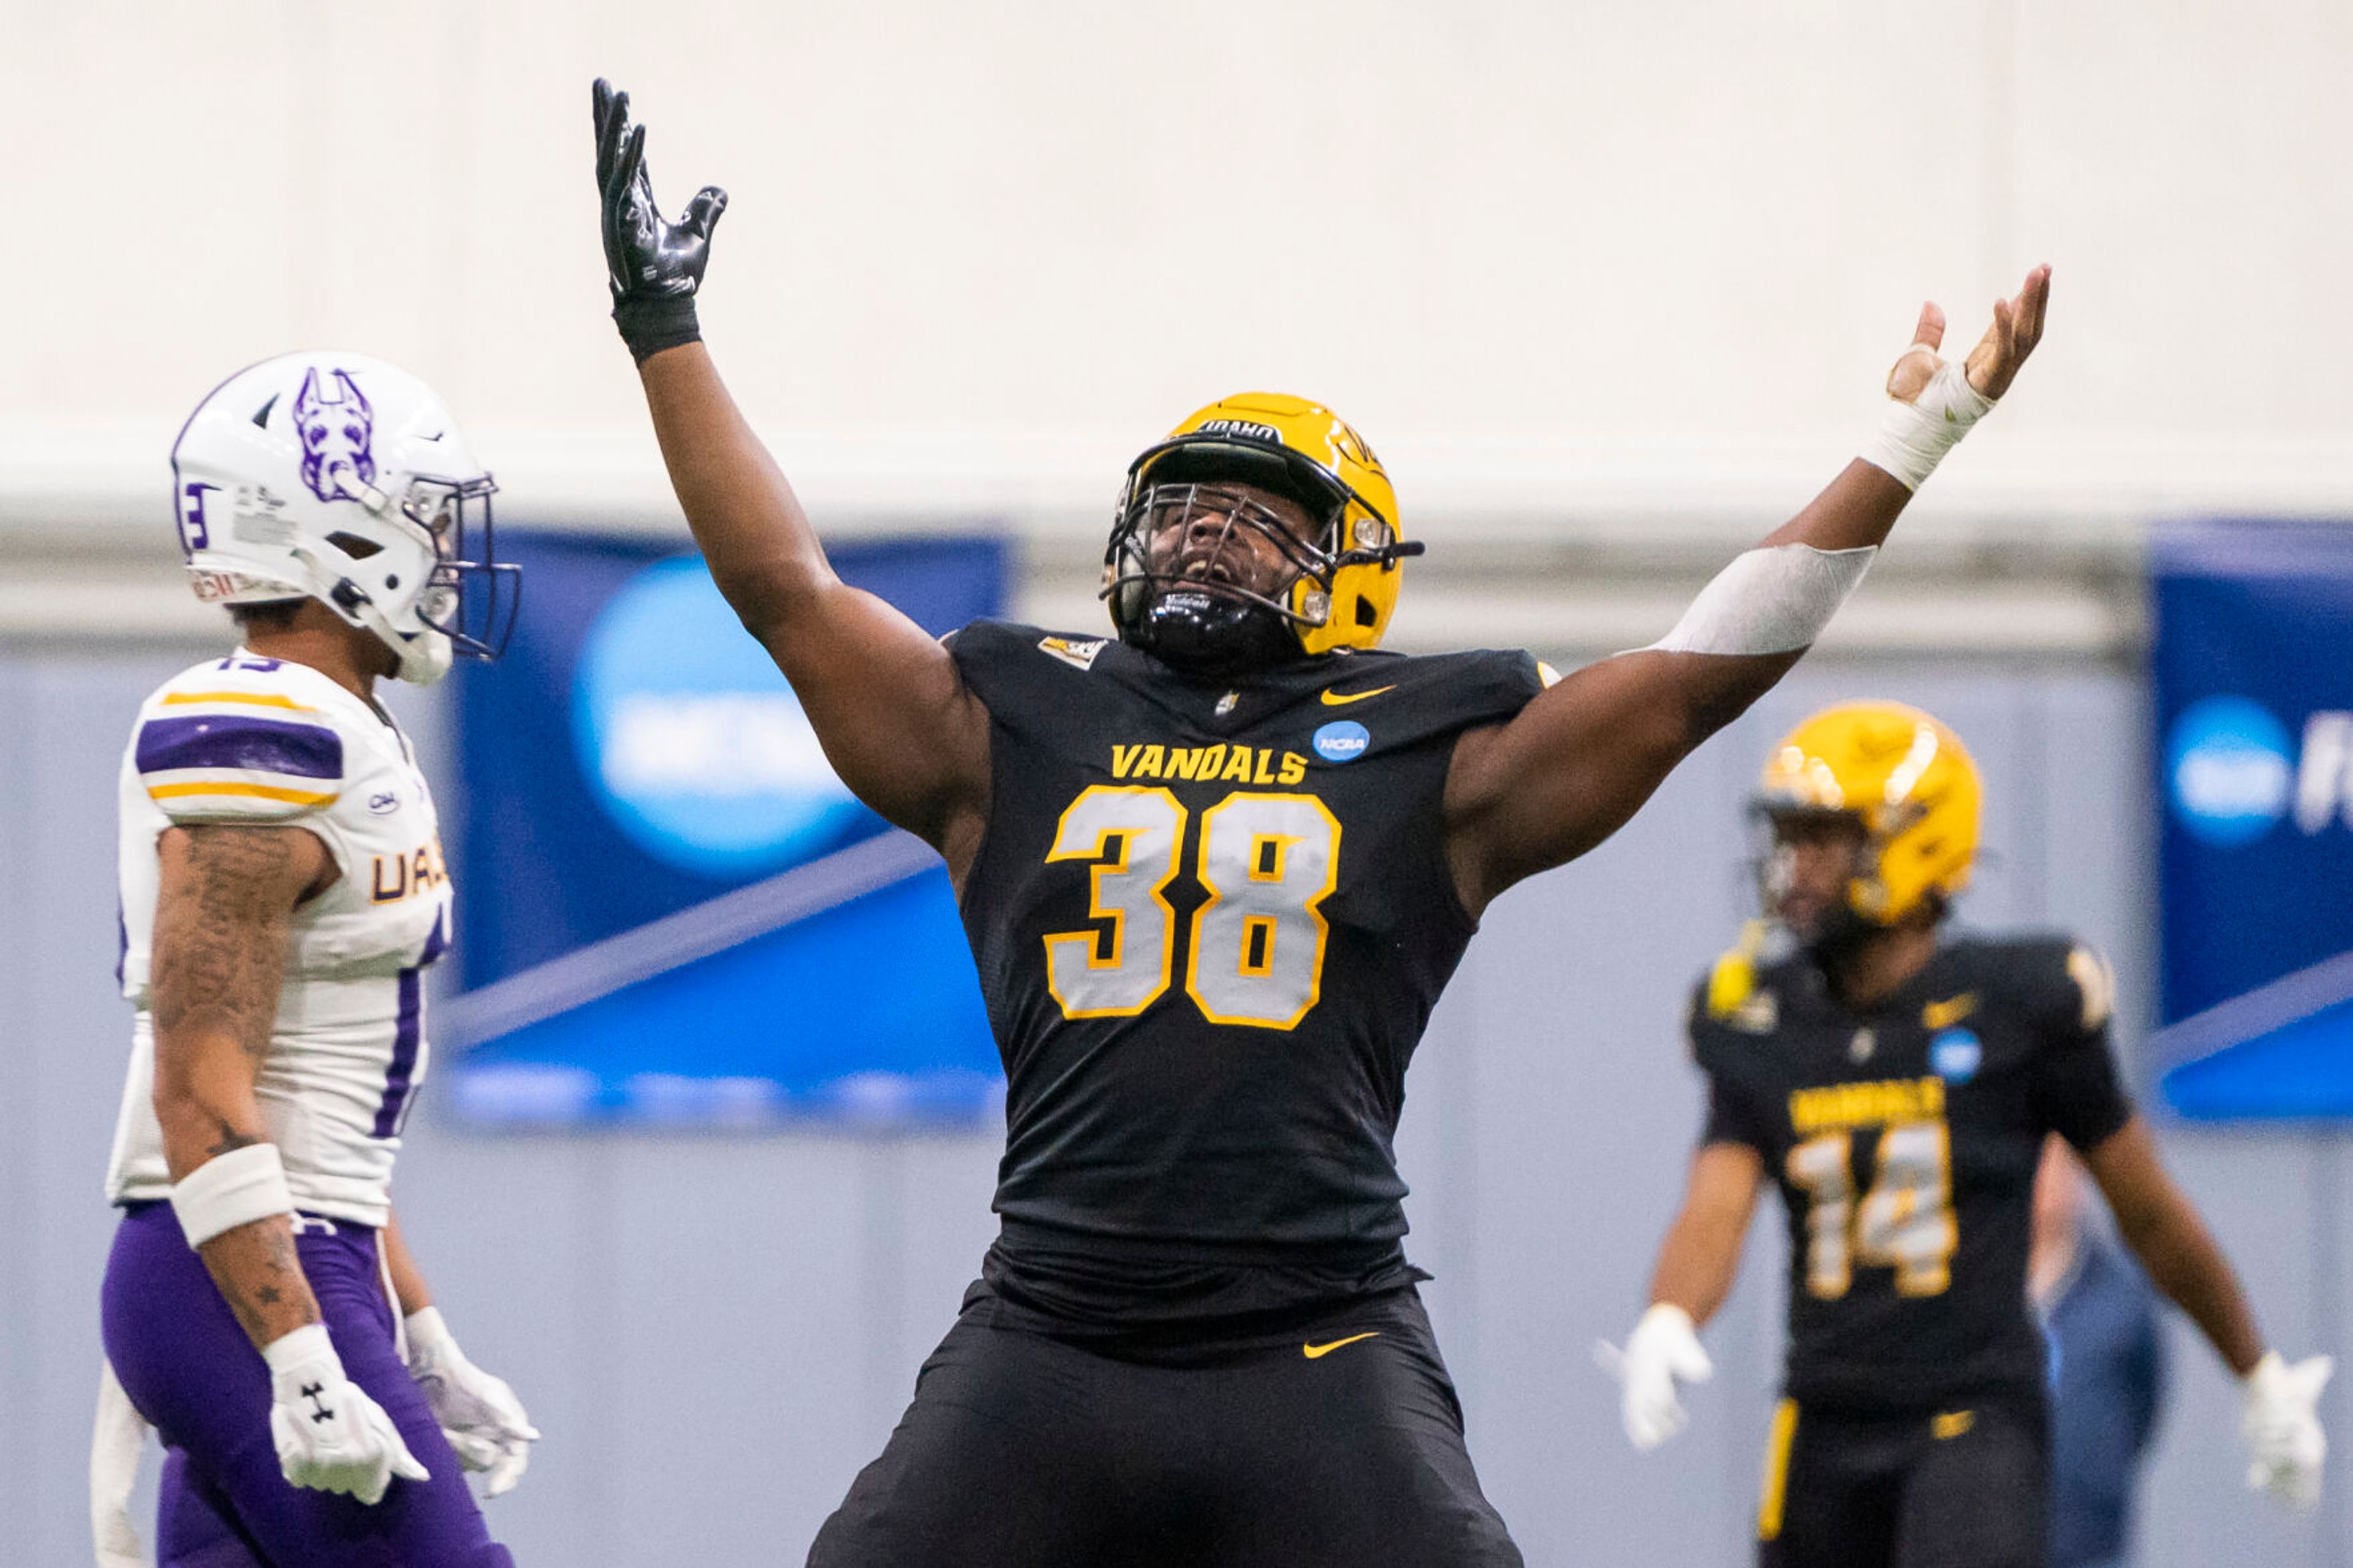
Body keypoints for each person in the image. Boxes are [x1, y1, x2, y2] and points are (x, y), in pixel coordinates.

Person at [591, 74, 2050, 1566]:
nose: (1210, 530)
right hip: (1050, 1327)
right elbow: (788, 592)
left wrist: (1915, 445)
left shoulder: (1432, 744)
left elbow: (1686, 681)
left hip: (1311, 1336)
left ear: (1352, 571)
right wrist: (667, 336)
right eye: (1186, 505)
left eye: (1263, 515)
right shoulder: (1019, 715)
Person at [1602, 702, 2332, 1568]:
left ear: (1914, 842)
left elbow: (2150, 1213)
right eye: (1790, 835)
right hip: (1821, 1416)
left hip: (1971, 1414)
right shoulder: (1763, 1013)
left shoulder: (2023, 1001)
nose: (1795, 864)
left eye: (1823, 837)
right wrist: (1668, 1315)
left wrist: (2258, 1372)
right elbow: (1716, 1203)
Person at [92, 352, 534, 1568]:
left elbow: (302, 1108)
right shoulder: (265, 733)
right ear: (335, 530)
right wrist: (302, 1360)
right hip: (230, 1272)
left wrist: (420, 1323)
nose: (445, 552)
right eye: (424, 517)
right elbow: (196, 1090)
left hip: (266, 1251)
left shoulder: (338, 728)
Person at [2031, 1136, 2167, 1568]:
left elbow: (2144, 1405)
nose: (2047, 1182)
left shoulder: (2120, 1292)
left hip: (2092, 1547)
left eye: (2059, 1166)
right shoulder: (1975, 1289)